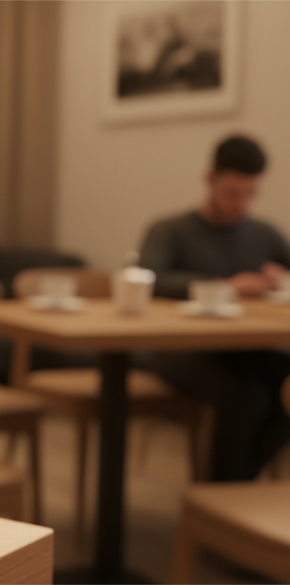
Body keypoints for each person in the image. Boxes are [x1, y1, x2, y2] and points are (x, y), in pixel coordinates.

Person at [140, 134, 290, 481]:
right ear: (210, 180)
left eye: (250, 194)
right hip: (177, 348)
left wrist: (278, 279)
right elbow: (150, 278)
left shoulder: (264, 234)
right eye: (232, 194)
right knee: (245, 399)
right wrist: (223, 287)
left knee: (285, 384)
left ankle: (234, 488)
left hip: (240, 346)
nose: (241, 204)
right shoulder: (171, 230)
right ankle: (221, 502)